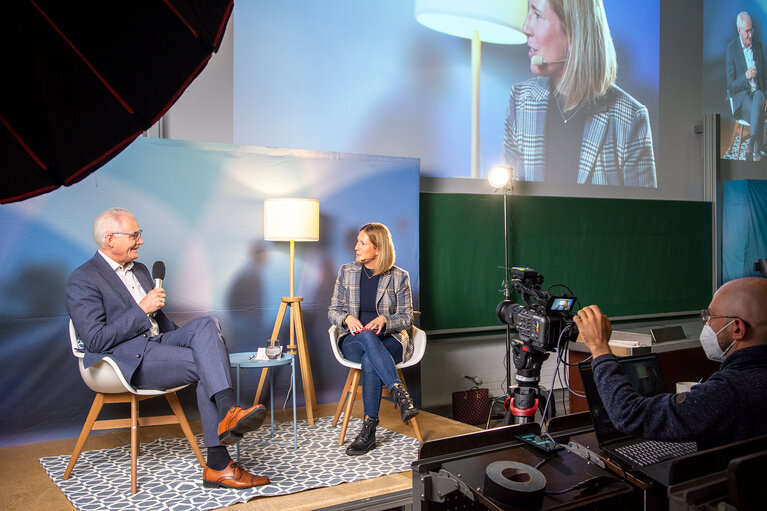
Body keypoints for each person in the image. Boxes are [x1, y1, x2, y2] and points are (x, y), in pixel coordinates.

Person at [66, 208, 270, 489]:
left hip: (159, 343)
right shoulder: (84, 279)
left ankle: (226, 414)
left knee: (207, 324)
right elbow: (96, 340)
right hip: (126, 359)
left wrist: (195, 340)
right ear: (110, 239)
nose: (141, 241)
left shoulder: (139, 269)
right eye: (135, 235)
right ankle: (218, 463)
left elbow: (161, 322)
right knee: (206, 365)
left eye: (140, 234)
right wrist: (142, 309)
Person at [573, 277, 767, 451]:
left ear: (738, 328)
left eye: (711, 316)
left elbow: (630, 414)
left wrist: (599, 349)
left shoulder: (728, 392)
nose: (706, 322)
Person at [501, 0, 656, 187]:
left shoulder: (630, 118)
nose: (526, 27)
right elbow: (506, 201)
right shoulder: (520, 101)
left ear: (574, 31)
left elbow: (643, 214)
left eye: (537, 15)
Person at [328, 223, 418, 455]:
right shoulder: (346, 272)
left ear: (377, 249)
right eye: (357, 241)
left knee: (371, 360)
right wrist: (346, 318)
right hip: (354, 341)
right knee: (366, 338)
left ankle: (368, 431)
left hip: (391, 341)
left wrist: (385, 321)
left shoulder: (399, 277)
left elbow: (407, 317)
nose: (356, 247)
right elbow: (333, 310)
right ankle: (399, 393)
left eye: (362, 243)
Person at [726, 11, 767, 162]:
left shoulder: (758, 47)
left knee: (759, 96)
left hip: (758, 97)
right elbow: (731, 86)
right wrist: (746, 76)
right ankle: (758, 146)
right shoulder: (731, 49)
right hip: (743, 102)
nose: (750, 35)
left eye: (751, 30)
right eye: (747, 31)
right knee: (757, 106)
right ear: (739, 31)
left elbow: (764, 79)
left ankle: (751, 143)